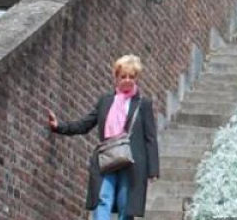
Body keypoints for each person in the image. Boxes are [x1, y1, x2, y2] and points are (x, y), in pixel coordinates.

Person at [48, 55, 160, 220]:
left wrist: (153, 169)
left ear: (137, 78)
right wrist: (59, 127)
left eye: (132, 77)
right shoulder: (106, 101)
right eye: (123, 76)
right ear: (116, 77)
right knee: (102, 197)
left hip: (131, 161)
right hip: (106, 157)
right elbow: (86, 123)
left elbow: (150, 137)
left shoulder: (143, 104)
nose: (127, 80)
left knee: (125, 204)